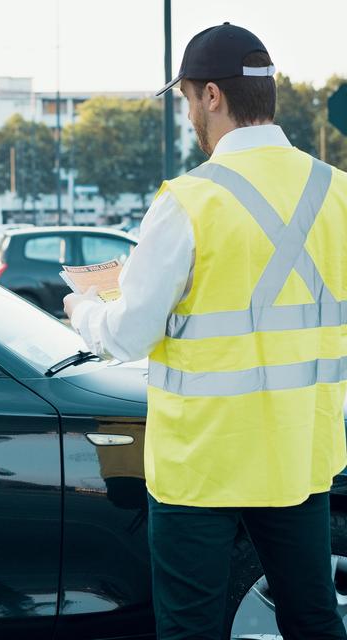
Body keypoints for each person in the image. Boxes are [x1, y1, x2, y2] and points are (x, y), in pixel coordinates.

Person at [63, 22, 347, 640]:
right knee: (315, 619)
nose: (190, 112)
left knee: (191, 630)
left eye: (189, 98)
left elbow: (130, 334)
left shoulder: (189, 200)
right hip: (299, 454)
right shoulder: (339, 193)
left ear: (212, 97)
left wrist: (82, 308)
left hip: (205, 463)